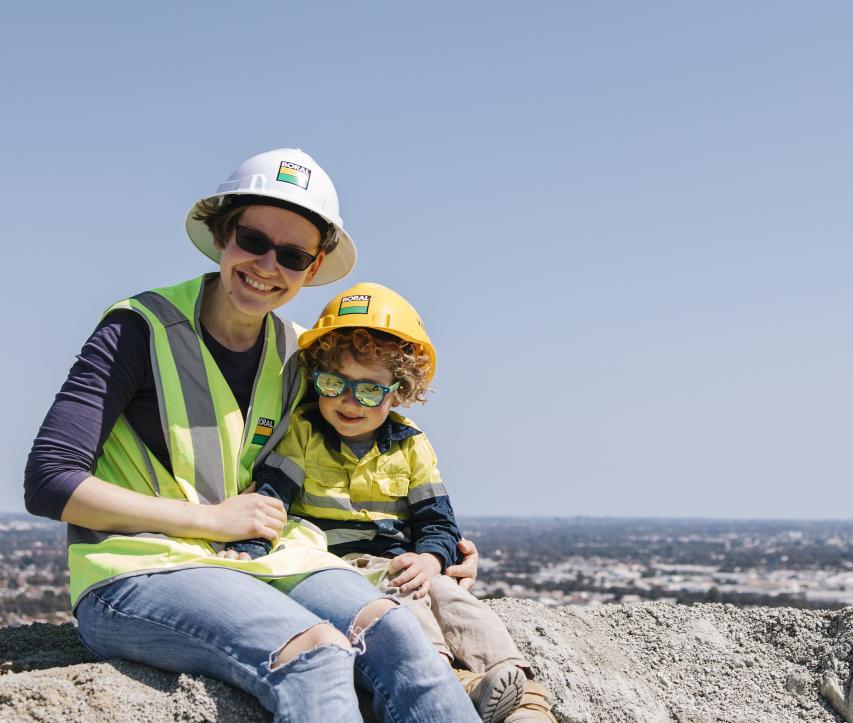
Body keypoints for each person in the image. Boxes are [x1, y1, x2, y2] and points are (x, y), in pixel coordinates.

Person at [24, 149, 479, 722]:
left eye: (292, 255)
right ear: (221, 235)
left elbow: (362, 440)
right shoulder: (138, 328)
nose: (267, 265)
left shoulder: (299, 353)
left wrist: (437, 547)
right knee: (313, 654)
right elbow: (49, 481)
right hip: (137, 571)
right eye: (253, 240)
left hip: (260, 561)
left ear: (312, 269)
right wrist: (212, 521)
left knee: (398, 636)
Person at [226, 282, 557, 723]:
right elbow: (272, 500)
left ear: (399, 391)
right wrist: (247, 553)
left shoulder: (412, 446)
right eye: (333, 382)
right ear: (316, 377)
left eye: (369, 390)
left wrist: (432, 561)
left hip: (399, 559)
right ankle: (447, 678)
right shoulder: (303, 433)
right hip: (338, 567)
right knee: (404, 598)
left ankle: (519, 690)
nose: (349, 400)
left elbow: (438, 523)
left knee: (450, 598)